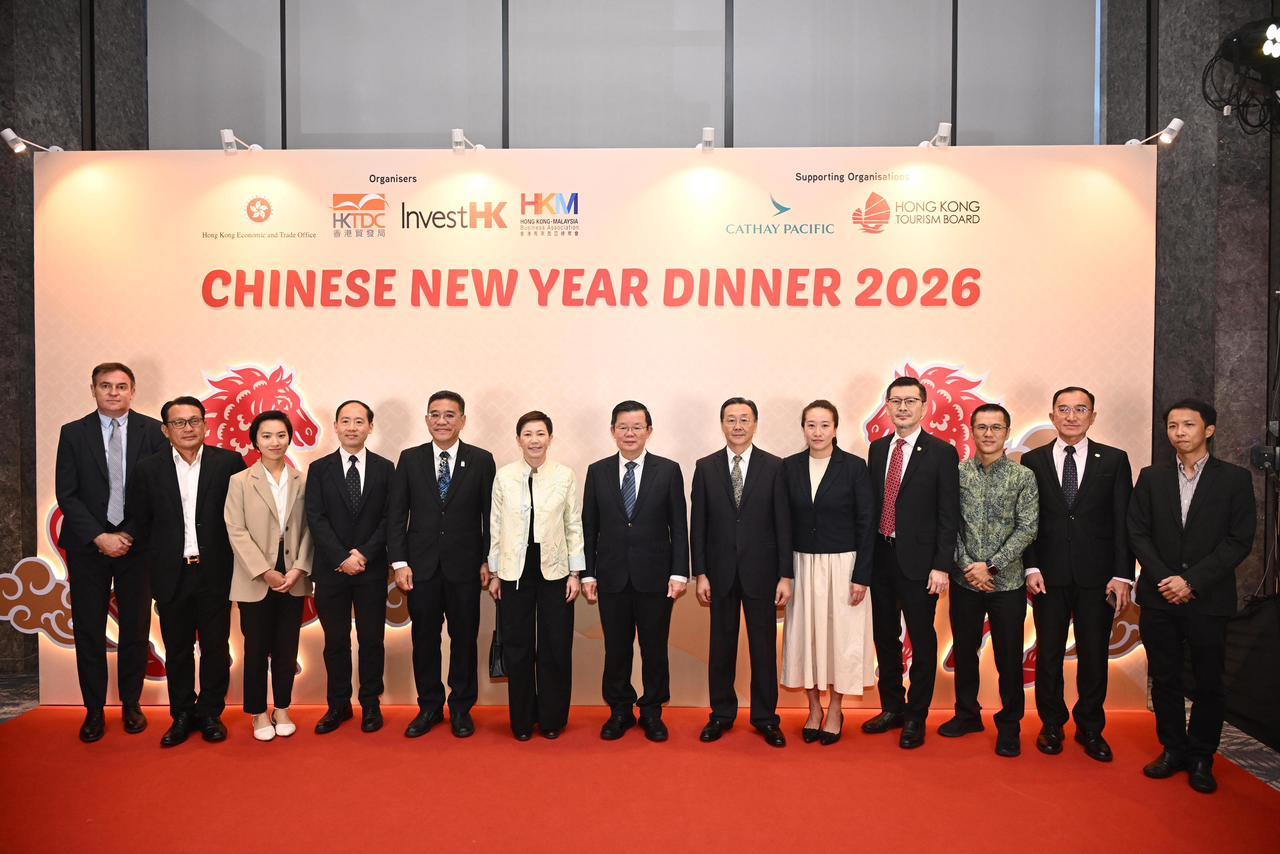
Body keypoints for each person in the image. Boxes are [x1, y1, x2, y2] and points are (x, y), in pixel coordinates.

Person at [1129, 398, 1256, 794]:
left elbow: (1239, 540)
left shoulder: (1234, 479)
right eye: (1172, 426)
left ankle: (1203, 755)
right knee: (1164, 678)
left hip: (1208, 598)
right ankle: (1172, 749)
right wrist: (1166, 577)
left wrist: (1192, 581)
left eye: (1188, 425)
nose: (1179, 432)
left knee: (1208, 681)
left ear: (1209, 430)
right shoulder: (1151, 477)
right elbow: (1137, 532)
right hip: (1158, 596)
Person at [54, 362, 167, 742]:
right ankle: (94, 710)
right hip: (88, 548)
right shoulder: (73, 433)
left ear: (133, 391)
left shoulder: (153, 431)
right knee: (88, 630)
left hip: (138, 547)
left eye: (121, 386)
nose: (114, 392)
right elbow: (66, 493)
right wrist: (100, 537)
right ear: (93, 390)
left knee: (136, 628)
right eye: (106, 386)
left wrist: (128, 534)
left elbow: (157, 492)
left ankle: (132, 704)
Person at [1020, 386, 1133, 761]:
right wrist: (1031, 565)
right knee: (1048, 654)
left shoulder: (1114, 460)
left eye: (1080, 409)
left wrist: (1122, 574)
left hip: (1098, 577)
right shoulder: (1033, 461)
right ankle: (1051, 724)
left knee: (1094, 655)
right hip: (1047, 576)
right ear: (1052, 416)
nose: (1071, 416)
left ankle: (1090, 728)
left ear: (1092, 416)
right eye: (1063, 409)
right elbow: (1028, 521)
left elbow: (1123, 522)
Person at [125, 396, 245, 747]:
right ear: (166, 430)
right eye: (179, 423)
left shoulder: (229, 463)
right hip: (169, 573)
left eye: (194, 420)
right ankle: (181, 714)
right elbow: (141, 522)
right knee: (177, 649)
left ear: (206, 425)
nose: (188, 428)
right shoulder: (149, 468)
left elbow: (241, 516)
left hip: (215, 572)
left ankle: (209, 713)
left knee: (215, 648)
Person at [388, 390, 495, 739]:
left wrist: (487, 560)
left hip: (466, 568)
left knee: (464, 640)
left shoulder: (481, 460)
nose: (442, 421)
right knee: (425, 640)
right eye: (435, 414)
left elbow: (489, 516)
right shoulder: (410, 458)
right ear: (426, 420)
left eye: (450, 415)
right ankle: (429, 707)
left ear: (462, 420)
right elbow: (396, 516)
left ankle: (462, 708)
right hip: (421, 569)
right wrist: (400, 562)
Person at [581, 400, 689, 742]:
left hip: (656, 577)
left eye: (637, 427)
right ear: (613, 431)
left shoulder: (668, 470)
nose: (630, 433)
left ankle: (653, 711)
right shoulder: (597, 471)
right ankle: (620, 711)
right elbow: (589, 526)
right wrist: (587, 573)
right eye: (623, 427)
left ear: (649, 431)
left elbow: (679, 525)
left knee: (655, 648)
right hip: (611, 576)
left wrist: (679, 572)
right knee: (617, 648)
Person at [862, 376, 960, 750]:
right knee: (884, 638)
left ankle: (917, 716)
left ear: (924, 407)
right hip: (881, 557)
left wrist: (941, 565)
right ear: (887, 406)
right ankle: (893, 708)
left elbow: (948, 514)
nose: (902, 408)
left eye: (910, 401)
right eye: (896, 401)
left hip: (921, 564)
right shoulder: (877, 449)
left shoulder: (941, 452)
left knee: (921, 639)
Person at [692, 397, 792, 748]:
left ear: (755, 424)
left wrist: (785, 575)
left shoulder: (775, 467)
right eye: (731, 419)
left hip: (762, 574)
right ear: (722, 424)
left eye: (744, 419)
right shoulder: (705, 467)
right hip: (718, 574)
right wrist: (700, 572)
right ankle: (721, 714)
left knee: (764, 649)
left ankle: (766, 718)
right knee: (721, 647)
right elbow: (698, 525)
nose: (737, 425)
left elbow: (783, 525)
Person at [943, 404, 1038, 757]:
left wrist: (992, 567)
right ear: (971, 431)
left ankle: (1010, 725)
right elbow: (948, 524)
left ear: (1007, 433)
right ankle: (967, 714)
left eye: (996, 427)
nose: (988, 433)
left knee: (1008, 657)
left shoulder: (1022, 477)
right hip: (965, 581)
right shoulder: (956, 474)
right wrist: (969, 565)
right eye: (981, 427)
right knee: (965, 652)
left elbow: (1028, 527)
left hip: (1007, 584)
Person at [781, 400, 875, 746]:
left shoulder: (853, 467)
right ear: (803, 428)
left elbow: (867, 523)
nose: (817, 432)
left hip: (844, 566)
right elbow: (782, 524)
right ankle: (813, 708)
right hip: (801, 564)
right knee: (806, 637)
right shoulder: (788, 467)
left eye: (824, 425)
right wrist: (783, 573)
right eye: (811, 425)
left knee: (840, 640)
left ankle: (836, 708)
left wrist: (862, 574)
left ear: (835, 429)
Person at [486, 411, 584, 740]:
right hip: (515, 570)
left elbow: (574, 524)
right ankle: (523, 720)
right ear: (518, 440)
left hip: (555, 569)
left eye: (540, 434)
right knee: (518, 646)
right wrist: (496, 572)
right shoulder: (504, 476)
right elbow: (495, 526)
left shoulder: (565, 475)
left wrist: (575, 572)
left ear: (550, 439)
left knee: (555, 645)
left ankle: (553, 718)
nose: (534, 440)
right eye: (527, 434)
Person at [224, 410, 314, 742]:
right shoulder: (240, 481)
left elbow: (310, 529)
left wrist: (299, 567)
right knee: (257, 647)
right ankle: (258, 712)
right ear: (255, 441)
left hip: (293, 572)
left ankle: (284, 708)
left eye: (280, 435)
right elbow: (235, 529)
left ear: (289, 438)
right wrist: (264, 571)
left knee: (288, 646)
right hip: (255, 573)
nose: (274, 442)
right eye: (266, 436)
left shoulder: (303, 480)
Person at [306, 400, 394, 735]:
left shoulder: (386, 469)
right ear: (336, 426)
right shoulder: (320, 469)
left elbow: (391, 518)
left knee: (372, 640)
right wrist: (342, 556)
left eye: (360, 421)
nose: (352, 427)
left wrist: (364, 555)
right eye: (346, 421)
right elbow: (315, 517)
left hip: (371, 571)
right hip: (332, 571)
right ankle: (338, 705)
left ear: (371, 426)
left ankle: (371, 703)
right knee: (336, 641)